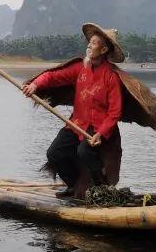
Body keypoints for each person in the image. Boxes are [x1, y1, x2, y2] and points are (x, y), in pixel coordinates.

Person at [22, 23, 125, 198]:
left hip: (98, 128)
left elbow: (115, 112)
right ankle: (74, 185)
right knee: (54, 153)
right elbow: (53, 76)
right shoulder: (80, 68)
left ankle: (102, 189)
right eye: (89, 42)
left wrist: (100, 133)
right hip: (76, 124)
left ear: (104, 49)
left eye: (93, 43)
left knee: (84, 151)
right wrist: (35, 84)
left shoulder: (111, 76)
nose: (88, 45)